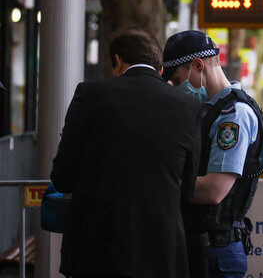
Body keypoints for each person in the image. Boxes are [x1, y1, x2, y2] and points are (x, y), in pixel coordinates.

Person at [50, 28, 201, 278]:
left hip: (96, 250)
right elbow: (187, 186)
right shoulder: (190, 107)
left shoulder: (90, 95)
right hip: (161, 252)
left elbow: (62, 177)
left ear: (118, 61)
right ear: (161, 68)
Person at [162, 30, 263, 278]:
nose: (176, 89)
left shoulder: (234, 115)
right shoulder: (206, 112)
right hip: (197, 246)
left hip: (215, 250)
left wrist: (159, 182)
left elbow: (214, 190)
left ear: (198, 65)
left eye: (178, 81)